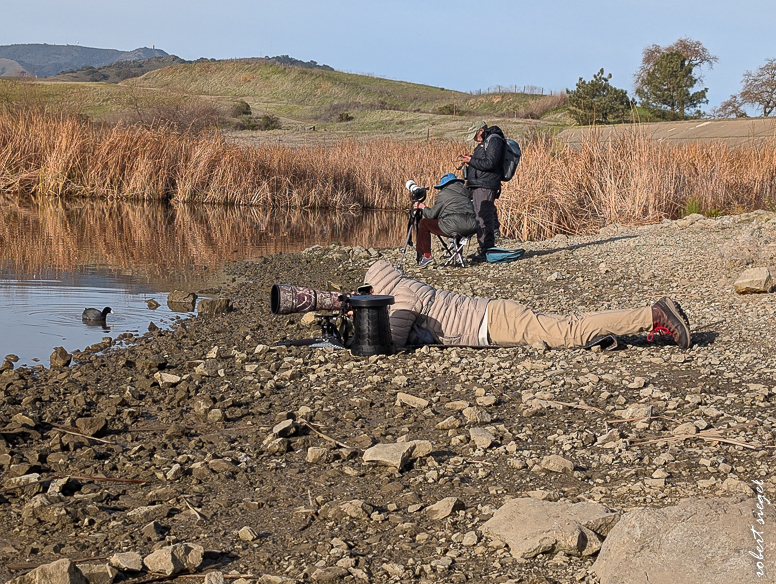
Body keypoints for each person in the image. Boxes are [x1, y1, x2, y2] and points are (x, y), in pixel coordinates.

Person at [363, 260, 691, 350]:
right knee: (569, 327)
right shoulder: (407, 287)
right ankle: (636, 321)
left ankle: (654, 315)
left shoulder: (402, 297)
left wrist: (361, 321)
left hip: (494, 322)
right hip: (494, 315)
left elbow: (390, 343)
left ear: (377, 287)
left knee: (571, 332)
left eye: (367, 293)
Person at [460, 120, 506, 262]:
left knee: (483, 217)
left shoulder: (494, 140)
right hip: (480, 184)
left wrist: (471, 161)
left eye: (475, 136)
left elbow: (490, 163)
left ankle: (485, 250)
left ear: (481, 130)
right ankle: (485, 249)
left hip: (486, 185)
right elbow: (485, 162)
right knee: (482, 216)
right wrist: (472, 159)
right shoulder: (486, 142)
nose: (474, 139)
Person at [411, 173, 477, 268]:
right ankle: (458, 255)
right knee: (457, 223)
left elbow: (431, 215)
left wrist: (423, 207)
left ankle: (427, 256)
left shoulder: (443, 194)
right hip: (472, 227)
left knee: (424, 223)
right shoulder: (466, 194)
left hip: (454, 226)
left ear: (444, 185)